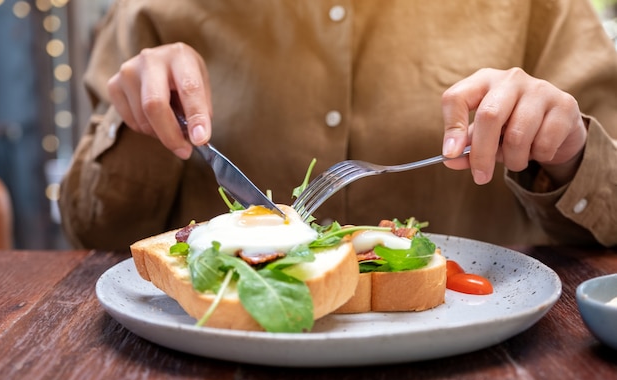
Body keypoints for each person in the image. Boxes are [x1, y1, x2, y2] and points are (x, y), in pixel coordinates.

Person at [59, 0, 617, 251]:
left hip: (491, 361)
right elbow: (92, 234)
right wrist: (146, 125)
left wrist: (569, 157)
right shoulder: (147, 10)